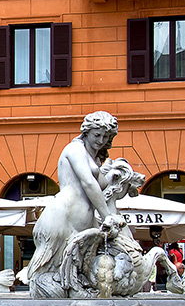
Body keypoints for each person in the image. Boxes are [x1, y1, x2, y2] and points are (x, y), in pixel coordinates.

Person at [27, 111, 120, 284]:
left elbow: (99, 185)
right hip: (63, 216)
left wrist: (112, 177)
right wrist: (107, 216)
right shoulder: (75, 149)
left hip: (82, 220)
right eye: (97, 135)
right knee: (47, 271)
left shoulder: (93, 157)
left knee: (77, 274)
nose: (100, 141)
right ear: (86, 132)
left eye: (105, 136)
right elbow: (88, 183)